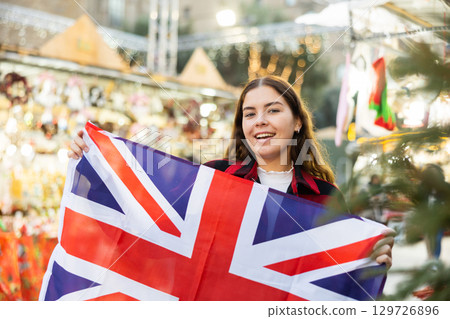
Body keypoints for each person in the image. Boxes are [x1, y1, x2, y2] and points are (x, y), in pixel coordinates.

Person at [68, 75, 394, 270]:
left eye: (273, 110)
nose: (259, 121)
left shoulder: (326, 196)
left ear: (297, 122)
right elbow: (152, 225)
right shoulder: (216, 179)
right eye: (249, 114)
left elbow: (336, 275)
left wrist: (369, 260)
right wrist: (92, 165)